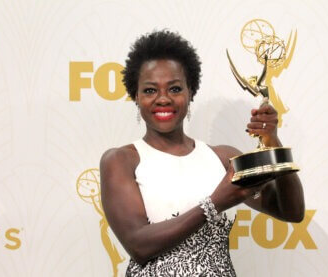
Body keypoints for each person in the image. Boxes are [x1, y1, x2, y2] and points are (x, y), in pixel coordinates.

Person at [100, 30, 305, 276]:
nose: (163, 99)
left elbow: (291, 211)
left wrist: (272, 141)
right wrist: (216, 202)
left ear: (191, 93)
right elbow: (138, 245)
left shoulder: (222, 158)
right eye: (150, 90)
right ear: (136, 96)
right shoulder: (122, 160)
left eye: (175, 89)